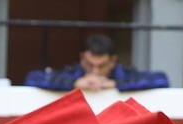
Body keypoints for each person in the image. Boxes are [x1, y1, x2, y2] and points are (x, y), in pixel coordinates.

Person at [24, 33, 169, 92]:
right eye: (89, 64)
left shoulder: (124, 74)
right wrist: (74, 83)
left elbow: (161, 79)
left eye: (101, 66)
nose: (95, 72)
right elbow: (32, 78)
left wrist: (116, 84)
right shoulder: (72, 73)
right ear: (82, 58)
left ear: (113, 61)